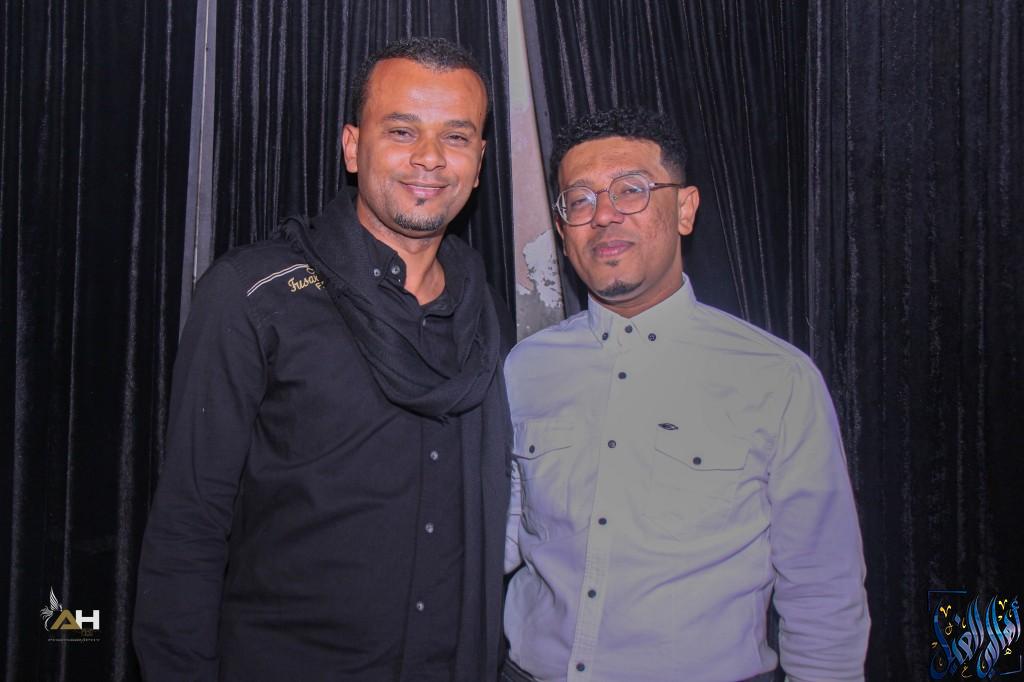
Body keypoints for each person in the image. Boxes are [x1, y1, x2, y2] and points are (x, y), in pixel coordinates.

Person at [134, 37, 512, 681]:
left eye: (455, 137)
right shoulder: (255, 295)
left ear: (477, 163)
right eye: (402, 130)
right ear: (352, 147)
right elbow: (188, 528)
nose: (429, 157)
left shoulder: (485, 314)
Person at [502, 108, 869, 682]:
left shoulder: (777, 379)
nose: (604, 215)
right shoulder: (525, 368)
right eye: (580, 200)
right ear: (563, 229)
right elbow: (500, 532)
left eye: (631, 191)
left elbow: (823, 586)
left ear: (686, 209)